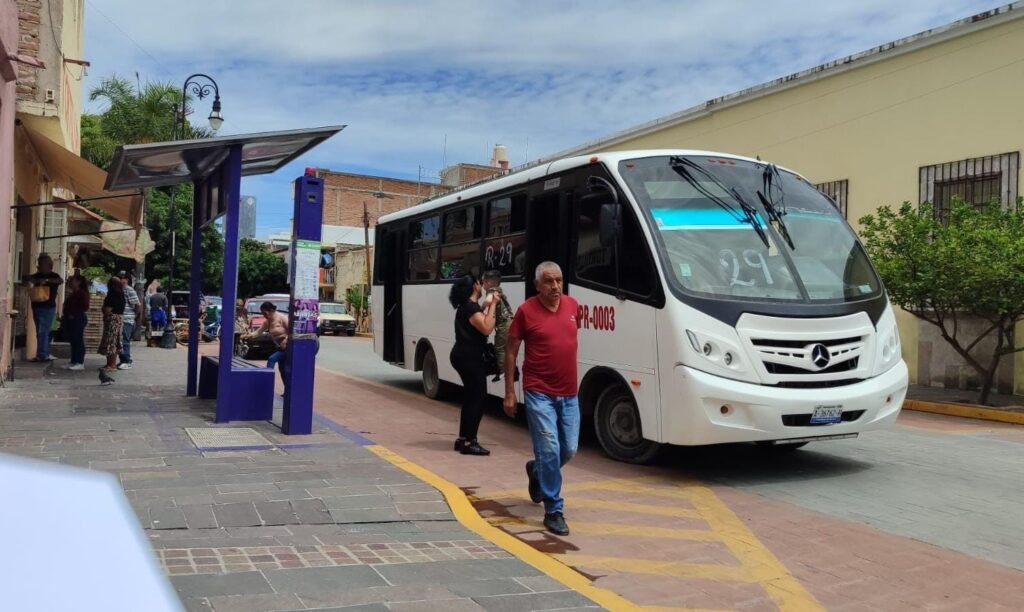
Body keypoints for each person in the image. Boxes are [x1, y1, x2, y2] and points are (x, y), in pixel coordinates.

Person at [503, 262, 580, 536]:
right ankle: (553, 510)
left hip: (569, 393)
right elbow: (511, 351)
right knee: (549, 449)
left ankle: (537, 472)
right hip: (538, 391)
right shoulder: (526, 311)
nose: (555, 286)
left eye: (559, 280)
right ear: (537, 285)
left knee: (568, 449)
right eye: (548, 281)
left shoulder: (573, 306)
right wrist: (510, 392)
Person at [448, 274, 497, 456]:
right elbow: (486, 327)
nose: (482, 285)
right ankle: (470, 442)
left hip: (463, 356)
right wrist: (493, 304)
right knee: (477, 398)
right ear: (475, 286)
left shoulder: (468, 307)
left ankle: (463, 439)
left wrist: (485, 305)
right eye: (480, 282)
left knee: (470, 398)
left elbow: (478, 315)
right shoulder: (470, 308)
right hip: (470, 358)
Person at [26, 253, 63, 362]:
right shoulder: (37, 276)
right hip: (38, 306)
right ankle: (43, 353)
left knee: (48, 331)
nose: (39, 266)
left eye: (41, 264)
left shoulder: (53, 276)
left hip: (49, 307)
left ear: (48, 265)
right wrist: (35, 280)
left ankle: (44, 353)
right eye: (39, 264)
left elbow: (60, 281)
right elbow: (27, 277)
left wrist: (46, 280)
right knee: (42, 331)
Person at [243, 301, 289, 388]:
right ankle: (287, 390)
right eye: (262, 313)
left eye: (265, 313)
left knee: (271, 359)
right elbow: (259, 332)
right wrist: (250, 336)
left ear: (271, 310)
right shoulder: (268, 321)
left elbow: (292, 331)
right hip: (279, 346)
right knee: (283, 369)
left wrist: (286, 340)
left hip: (287, 347)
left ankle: (267, 383)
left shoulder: (282, 318)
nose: (264, 315)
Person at [481, 270, 514, 382]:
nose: (483, 285)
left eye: (483, 282)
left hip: (503, 324)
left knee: (499, 348)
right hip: (510, 322)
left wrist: (481, 308)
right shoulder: (499, 290)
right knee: (507, 348)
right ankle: (510, 369)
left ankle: (502, 370)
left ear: (489, 283)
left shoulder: (491, 291)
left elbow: (487, 301)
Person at [61, 275, 90, 370]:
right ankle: (73, 361)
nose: (70, 282)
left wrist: (74, 314)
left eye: (72, 281)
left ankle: (79, 361)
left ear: (78, 282)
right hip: (70, 319)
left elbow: (85, 306)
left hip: (78, 318)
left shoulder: (82, 293)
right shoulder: (74, 293)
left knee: (78, 340)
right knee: (73, 340)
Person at [98, 275, 126, 372]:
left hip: (112, 320)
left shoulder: (112, 294)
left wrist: (104, 310)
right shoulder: (121, 294)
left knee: (111, 342)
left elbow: (107, 309)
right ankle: (110, 364)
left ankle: (111, 365)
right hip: (118, 319)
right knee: (114, 342)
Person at [117, 271, 142, 370]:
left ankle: (127, 361)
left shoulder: (129, 290)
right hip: (121, 317)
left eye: (122, 278)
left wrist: (134, 315)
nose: (120, 280)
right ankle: (122, 360)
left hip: (127, 318)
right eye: (119, 278)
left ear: (127, 279)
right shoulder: (120, 289)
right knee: (120, 341)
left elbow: (137, 305)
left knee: (125, 340)